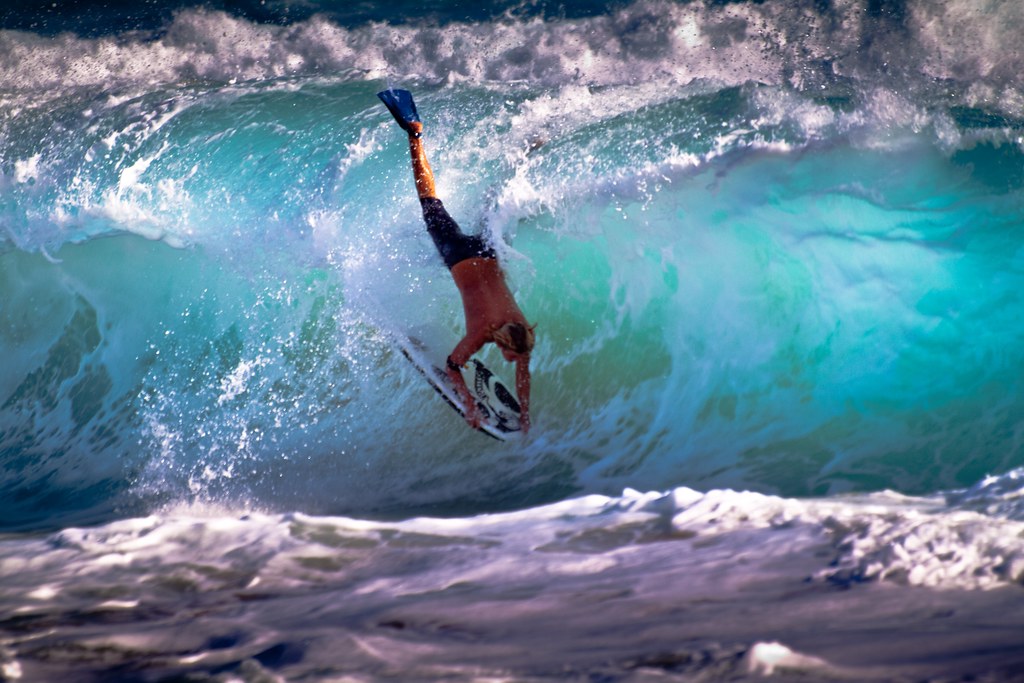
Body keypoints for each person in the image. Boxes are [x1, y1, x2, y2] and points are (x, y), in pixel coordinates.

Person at [379, 89, 535, 433]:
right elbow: (452, 367)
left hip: (485, 251)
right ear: (505, 342)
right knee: (429, 200)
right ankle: (415, 134)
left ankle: (523, 154)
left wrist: (526, 414)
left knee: (490, 209)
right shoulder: (481, 334)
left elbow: (523, 373)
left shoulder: (521, 332)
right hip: (457, 254)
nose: (513, 362)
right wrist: (469, 406)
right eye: (510, 356)